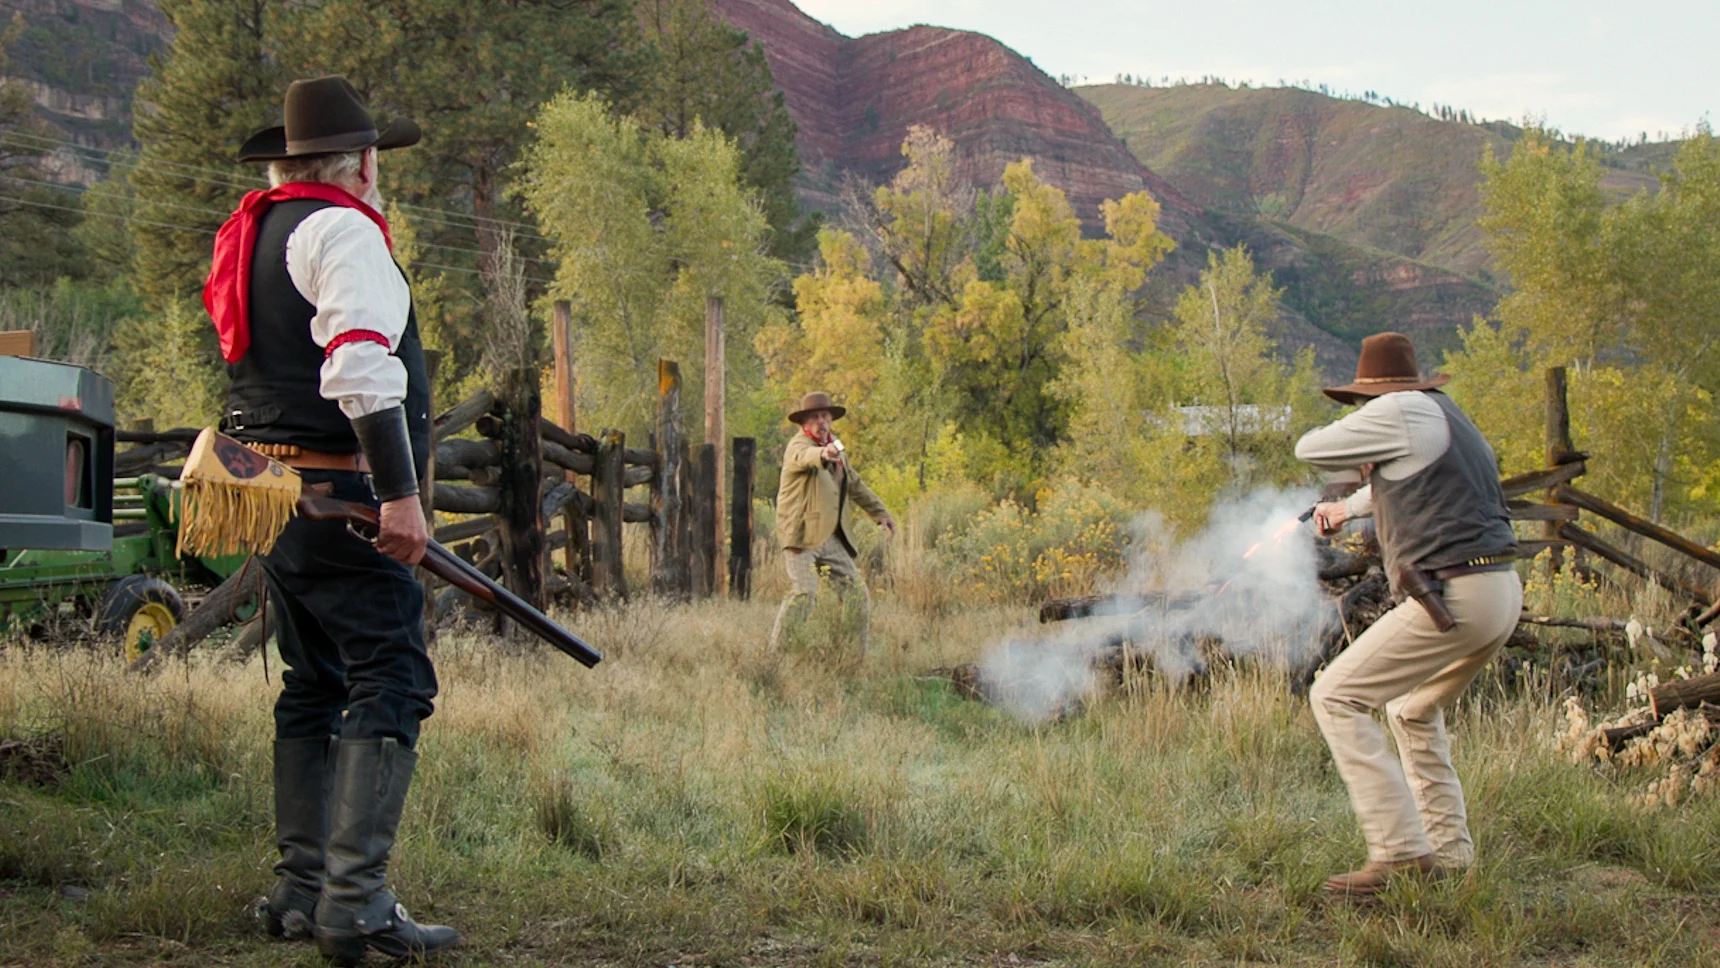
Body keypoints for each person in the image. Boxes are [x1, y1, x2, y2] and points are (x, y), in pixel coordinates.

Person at [205, 76, 458, 960]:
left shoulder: (258, 230)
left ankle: (300, 891)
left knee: (312, 682)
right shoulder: (343, 229)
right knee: (390, 674)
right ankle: (356, 903)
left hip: (275, 496)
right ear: (363, 162)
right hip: (343, 498)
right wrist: (398, 496)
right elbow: (357, 366)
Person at [1295, 331, 1521, 897]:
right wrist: (1345, 508)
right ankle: (1448, 855)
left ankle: (1397, 853)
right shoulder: (1441, 415)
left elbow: (1310, 448)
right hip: (1497, 592)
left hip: (1452, 593)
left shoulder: (1400, 410)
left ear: (1375, 395)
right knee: (1413, 712)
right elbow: (1400, 481)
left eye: (1360, 404)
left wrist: (1359, 437)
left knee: (1335, 695)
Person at [769, 392, 896, 654]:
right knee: (804, 594)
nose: (821, 422)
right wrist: (823, 453)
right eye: (815, 417)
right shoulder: (798, 445)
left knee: (856, 595)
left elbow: (855, 484)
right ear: (804, 422)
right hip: (801, 534)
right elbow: (805, 457)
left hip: (830, 535)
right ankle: (776, 657)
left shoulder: (837, 447)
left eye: (825, 416)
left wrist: (880, 513)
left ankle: (852, 658)